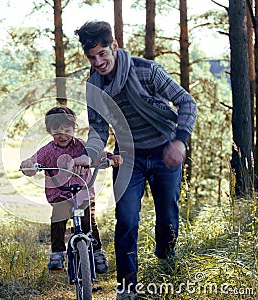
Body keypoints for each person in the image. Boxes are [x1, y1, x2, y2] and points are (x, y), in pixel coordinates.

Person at [73, 21, 197, 299]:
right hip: (128, 157)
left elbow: (187, 102)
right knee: (126, 219)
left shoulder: (146, 71)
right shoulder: (94, 87)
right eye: (92, 57)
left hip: (166, 151)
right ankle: (127, 287)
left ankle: (166, 260)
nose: (98, 62)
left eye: (103, 54)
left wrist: (180, 141)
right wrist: (88, 155)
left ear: (114, 47)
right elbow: (99, 129)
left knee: (167, 219)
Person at [20, 105, 122, 274]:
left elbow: (98, 156)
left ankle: (97, 253)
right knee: (58, 217)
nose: (63, 135)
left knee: (88, 222)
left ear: (74, 128)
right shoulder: (47, 151)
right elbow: (33, 163)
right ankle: (57, 253)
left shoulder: (82, 146)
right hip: (60, 194)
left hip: (83, 194)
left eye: (67, 129)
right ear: (49, 131)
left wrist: (111, 158)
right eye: (57, 131)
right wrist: (28, 165)